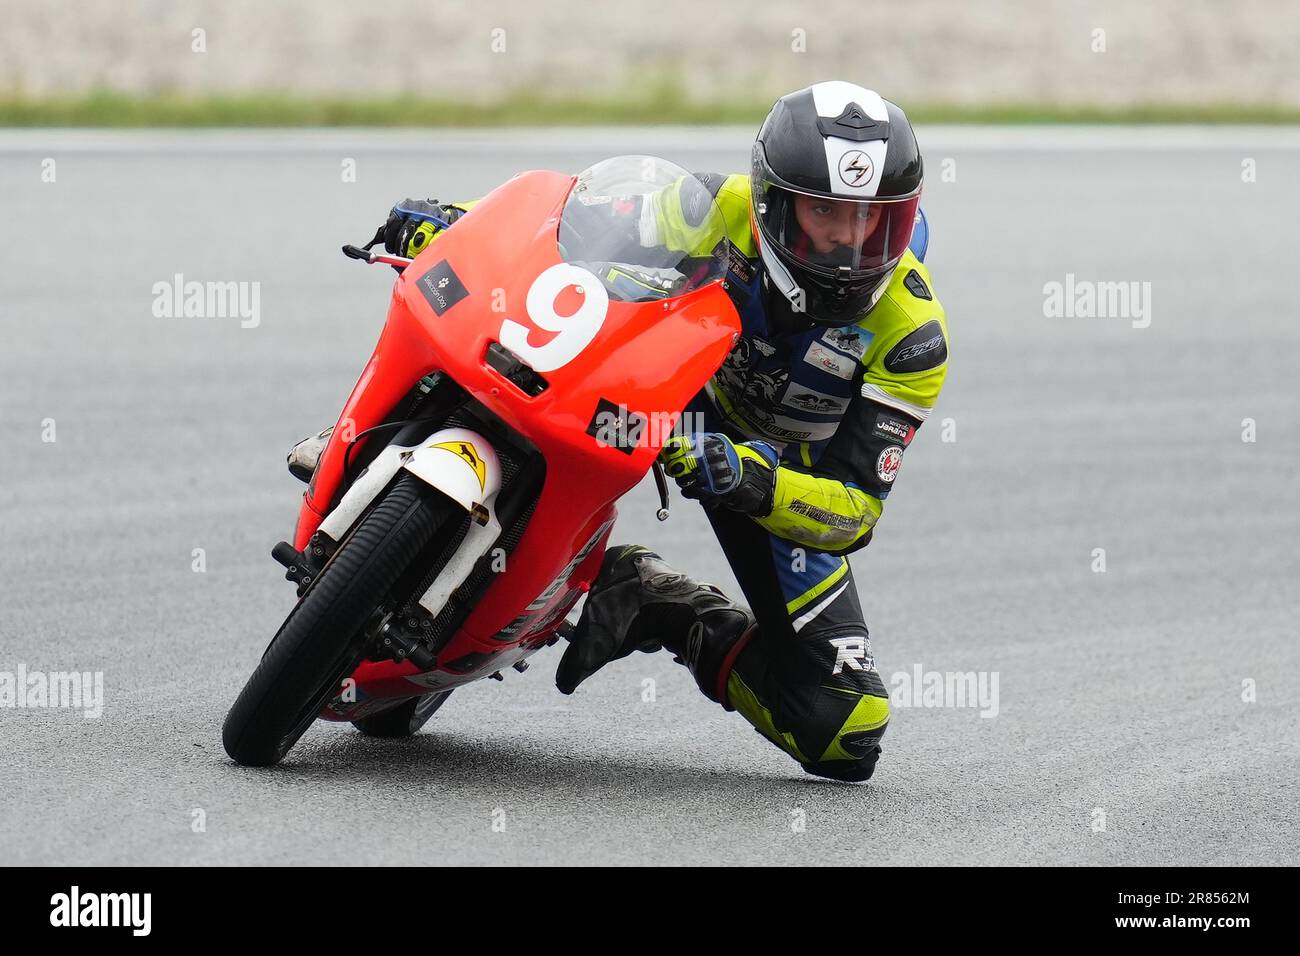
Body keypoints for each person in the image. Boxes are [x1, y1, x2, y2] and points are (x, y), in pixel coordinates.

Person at [290, 81, 949, 782]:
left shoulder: (912, 338)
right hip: (664, 386)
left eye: (873, 220)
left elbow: (852, 510)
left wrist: (749, 479)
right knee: (498, 339)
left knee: (843, 726)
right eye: (826, 212)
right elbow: (559, 230)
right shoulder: (711, 208)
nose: (850, 243)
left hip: (767, 472)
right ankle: (375, 446)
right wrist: (457, 221)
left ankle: (649, 599)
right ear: (772, 202)